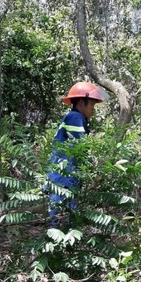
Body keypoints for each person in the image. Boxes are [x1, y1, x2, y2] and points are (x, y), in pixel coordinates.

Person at [46, 82, 105, 226]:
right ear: (80, 103)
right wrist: (92, 162)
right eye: (91, 105)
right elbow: (80, 145)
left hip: (66, 174)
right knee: (62, 213)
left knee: (66, 212)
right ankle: (59, 243)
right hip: (63, 175)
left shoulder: (76, 118)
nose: (93, 109)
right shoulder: (75, 117)